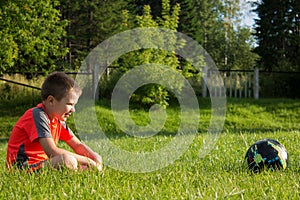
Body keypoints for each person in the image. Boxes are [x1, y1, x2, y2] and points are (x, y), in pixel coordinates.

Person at [6, 72, 103, 172]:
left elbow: (77, 145)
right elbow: (52, 151)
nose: (73, 110)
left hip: (42, 164)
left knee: (85, 161)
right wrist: (88, 161)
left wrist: (95, 158)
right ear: (51, 101)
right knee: (68, 160)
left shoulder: (57, 120)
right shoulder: (38, 115)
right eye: (69, 104)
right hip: (22, 168)